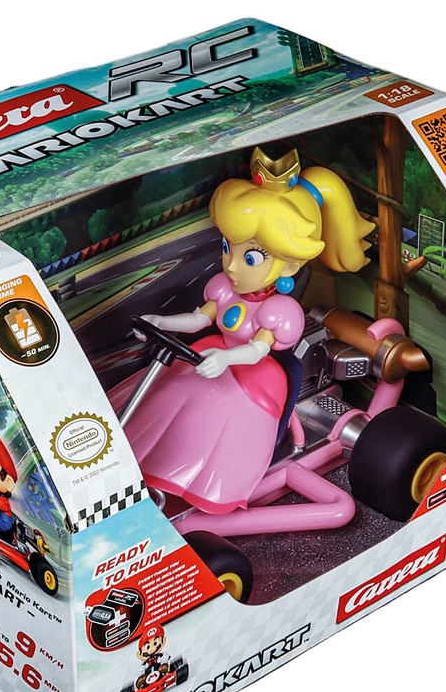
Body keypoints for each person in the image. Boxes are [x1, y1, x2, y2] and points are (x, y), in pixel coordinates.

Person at [115, 147, 374, 514]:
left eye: (250, 257)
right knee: (172, 386)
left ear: (289, 266)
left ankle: (189, 482)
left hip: (256, 374)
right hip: (212, 354)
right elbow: (199, 320)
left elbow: (257, 350)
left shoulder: (278, 310)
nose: (232, 266)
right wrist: (160, 322)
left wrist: (226, 359)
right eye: (228, 248)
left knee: (211, 406)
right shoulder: (224, 288)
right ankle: (134, 463)